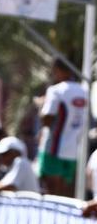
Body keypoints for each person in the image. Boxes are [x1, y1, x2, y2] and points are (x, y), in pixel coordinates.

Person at [37, 58, 88, 197]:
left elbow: (47, 120)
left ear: (58, 70)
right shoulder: (83, 91)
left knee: (51, 194)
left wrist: (41, 105)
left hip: (53, 149)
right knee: (67, 195)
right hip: (73, 151)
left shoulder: (56, 91)